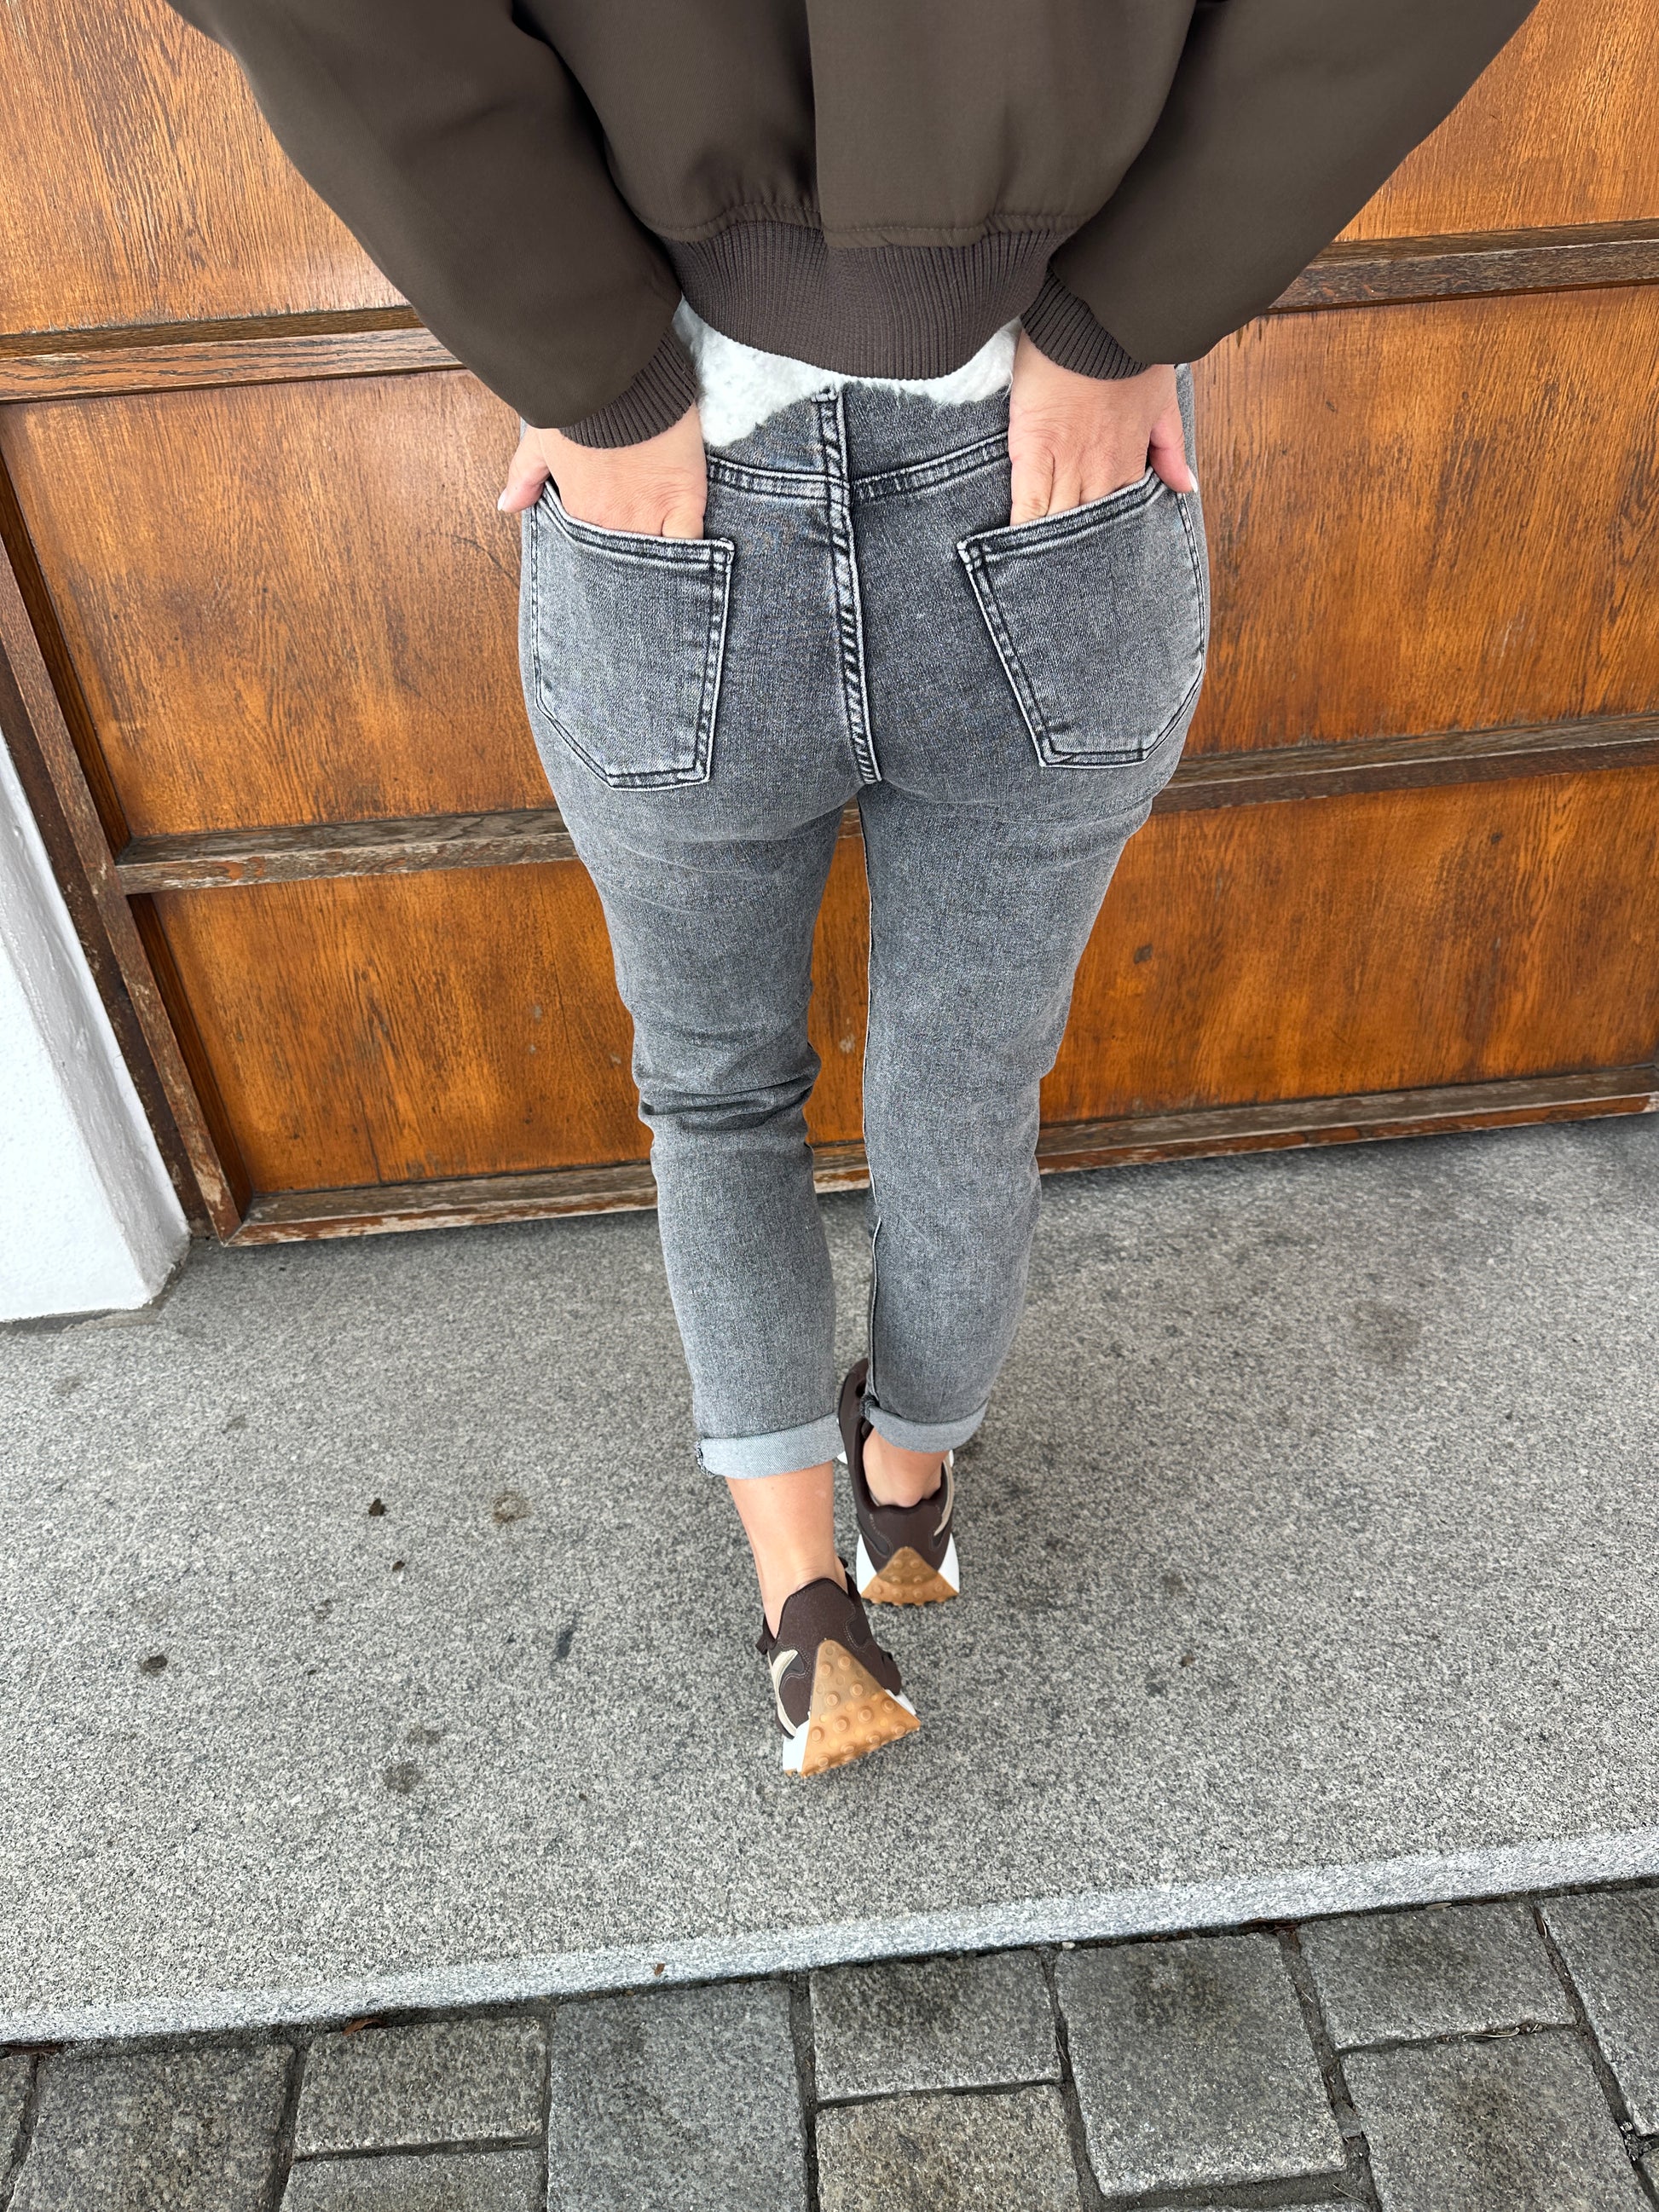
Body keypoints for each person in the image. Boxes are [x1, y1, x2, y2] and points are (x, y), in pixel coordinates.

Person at [168, 0, 1535, 1775]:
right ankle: (905, 1493)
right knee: (965, 1081)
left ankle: (805, 1609)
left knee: (715, 1085)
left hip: (677, 473)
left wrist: (585, 362)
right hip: (1040, 448)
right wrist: (1131, 311)